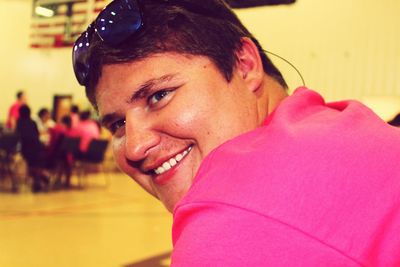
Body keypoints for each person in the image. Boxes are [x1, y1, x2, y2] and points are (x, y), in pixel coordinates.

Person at [72, 0, 400, 266]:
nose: (135, 145)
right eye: (117, 125)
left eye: (159, 95)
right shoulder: (346, 127)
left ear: (244, 64)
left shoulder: (231, 225)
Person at [16, 105, 49, 192]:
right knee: (37, 162)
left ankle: (39, 178)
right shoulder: (32, 122)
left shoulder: (19, 123)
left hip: (26, 149)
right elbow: (37, 135)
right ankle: (41, 176)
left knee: (32, 163)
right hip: (37, 147)